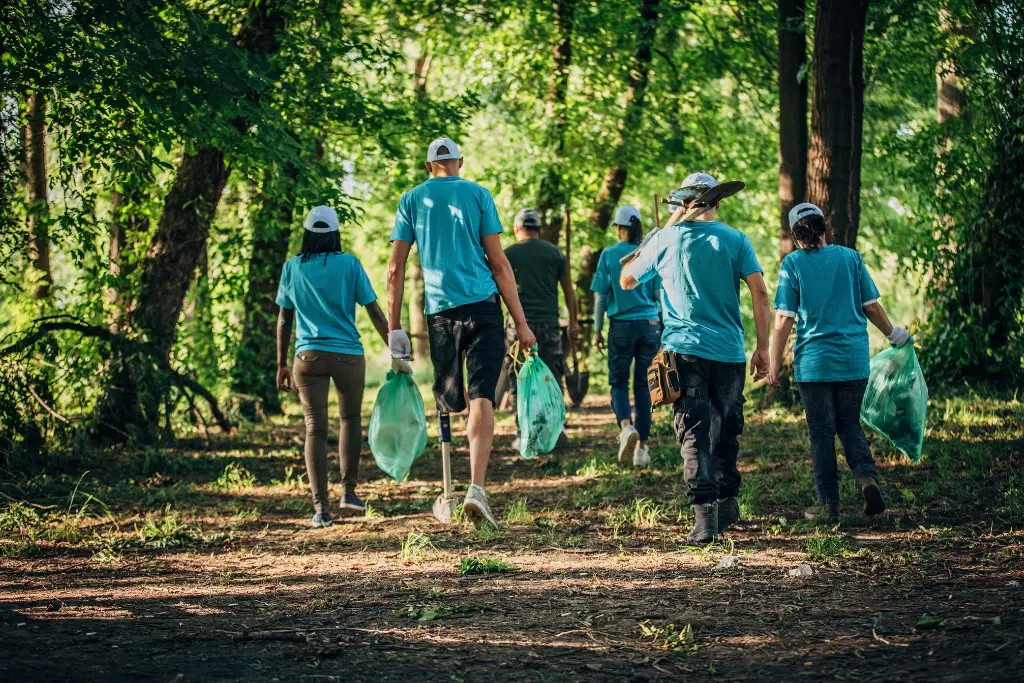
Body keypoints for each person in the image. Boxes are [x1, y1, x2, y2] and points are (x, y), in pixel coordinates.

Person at [387, 137, 536, 529]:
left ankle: (449, 490)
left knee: (447, 398)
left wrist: (394, 327)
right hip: (483, 308)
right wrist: (521, 324)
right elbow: (499, 263)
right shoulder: (478, 195)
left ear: (427, 166)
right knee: (481, 395)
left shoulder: (412, 200)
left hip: (440, 314)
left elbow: (395, 269)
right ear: (460, 162)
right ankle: (477, 489)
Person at [620, 172, 772, 542]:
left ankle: (705, 517)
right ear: (718, 202)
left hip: (683, 352)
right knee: (725, 429)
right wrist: (764, 347)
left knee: (694, 433)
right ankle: (726, 500)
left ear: (682, 203)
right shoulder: (736, 240)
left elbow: (626, 279)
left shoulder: (665, 240)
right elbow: (760, 294)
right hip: (730, 352)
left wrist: (659, 235)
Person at [768, 202, 909, 522]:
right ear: (824, 226)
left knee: (821, 433)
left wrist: (775, 360)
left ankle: (828, 504)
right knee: (849, 424)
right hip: (852, 361)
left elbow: (783, 318)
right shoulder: (850, 258)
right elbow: (871, 307)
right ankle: (866, 479)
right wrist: (893, 334)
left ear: (795, 234)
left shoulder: (792, 264)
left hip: (814, 365)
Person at [276, 206, 409, 528]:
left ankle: (321, 509)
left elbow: (284, 318)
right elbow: (375, 312)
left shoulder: (292, 267)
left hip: (307, 358)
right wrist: (397, 351)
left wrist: (281, 363)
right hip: (348, 355)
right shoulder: (349, 264)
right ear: (335, 234)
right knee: (350, 419)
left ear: (307, 234)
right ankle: (348, 492)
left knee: (315, 429)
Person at [591, 205, 662, 467]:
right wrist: (663, 326)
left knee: (618, 384)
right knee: (644, 387)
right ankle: (642, 449)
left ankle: (625, 427)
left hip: (620, 325)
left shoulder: (609, 254)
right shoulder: (649, 253)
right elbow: (659, 296)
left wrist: (597, 330)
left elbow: (600, 296)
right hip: (649, 324)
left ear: (621, 228)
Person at [503, 208, 580, 449]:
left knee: (519, 378)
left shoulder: (507, 255)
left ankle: (522, 432)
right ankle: (555, 428)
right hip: (549, 325)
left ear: (517, 229)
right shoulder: (555, 254)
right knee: (552, 376)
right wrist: (574, 322)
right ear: (539, 229)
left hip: (517, 326)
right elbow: (569, 292)